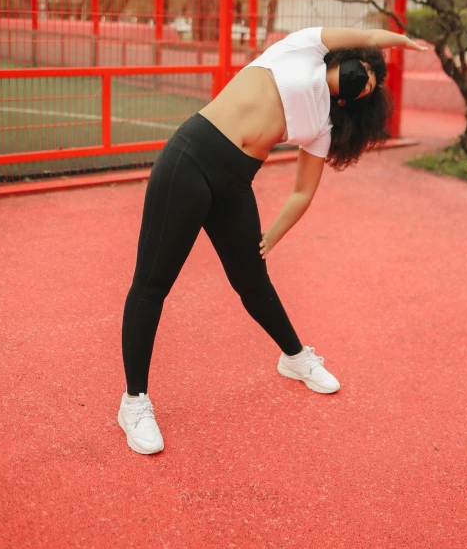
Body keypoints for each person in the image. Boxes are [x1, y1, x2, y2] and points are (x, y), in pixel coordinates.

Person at [118, 26, 427, 454]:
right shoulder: (300, 49)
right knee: (153, 284)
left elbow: (303, 191)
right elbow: (364, 32)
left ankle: (294, 358)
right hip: (189, 159)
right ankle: (134, 401)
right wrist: (398, 41)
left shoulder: (321, 125)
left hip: (236, 183)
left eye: (365, 89)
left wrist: (272, 236)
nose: (360, 82)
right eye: (361, 71)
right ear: (342, 58)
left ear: (349, 103)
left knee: (253, 280)